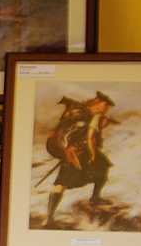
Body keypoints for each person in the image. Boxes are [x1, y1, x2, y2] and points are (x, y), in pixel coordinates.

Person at [42, 91, 115, 227]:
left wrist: (100, 123)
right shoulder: (80, 114)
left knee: (103, 166)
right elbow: (68, 134)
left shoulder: (86, 113)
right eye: (105, 106)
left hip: (78, 149)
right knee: (61, 183)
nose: (106, 110)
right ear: (98, 103)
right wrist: (70, 150)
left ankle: (95, 198)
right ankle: (49, 219)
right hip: (71, 151)